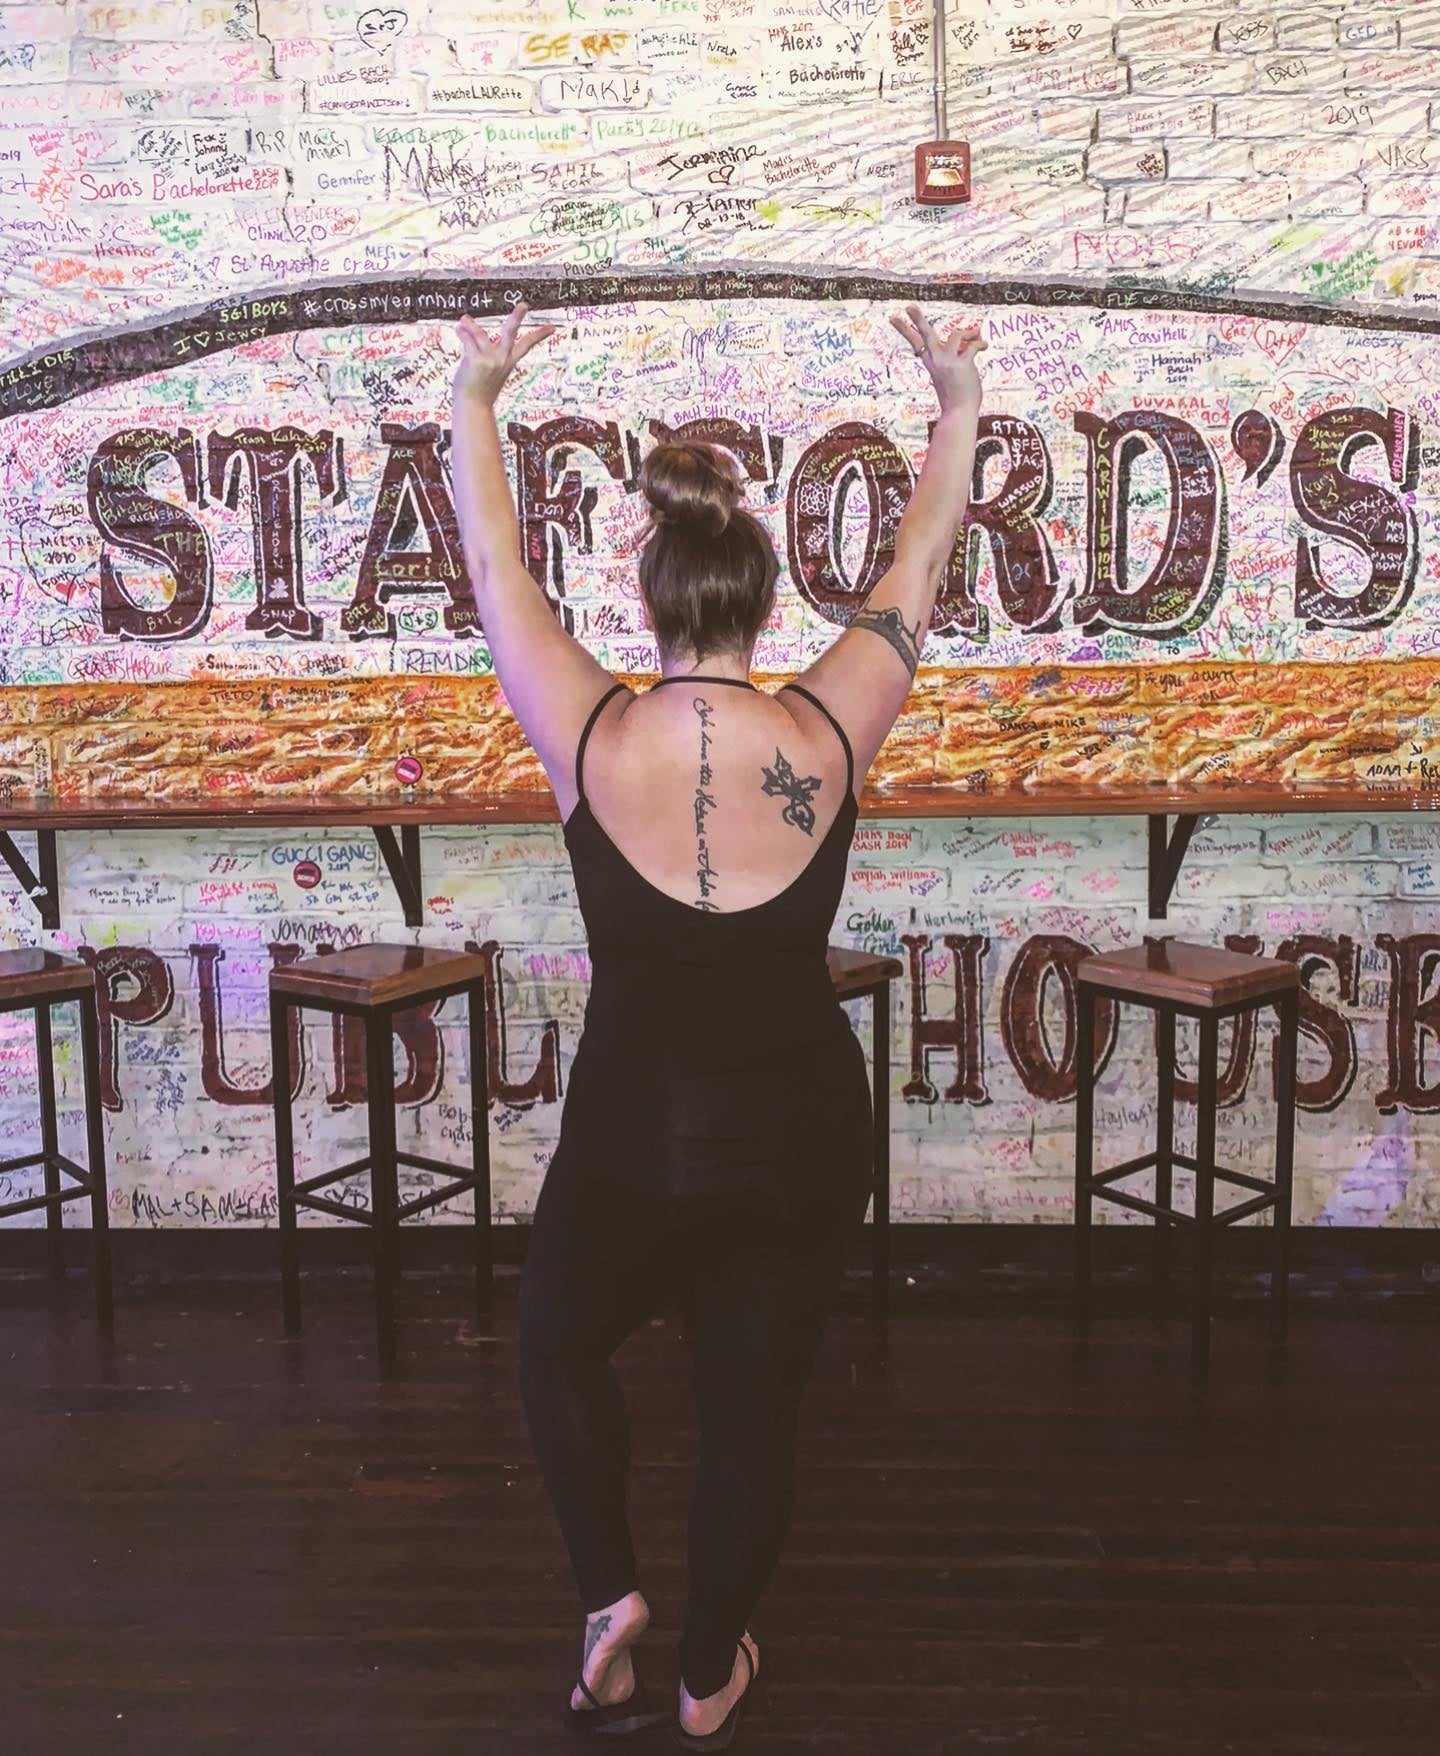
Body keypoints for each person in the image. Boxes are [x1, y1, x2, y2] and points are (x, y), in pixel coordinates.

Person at [451, 299, 985, 1747]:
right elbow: (917, 567)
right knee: (753, 1417)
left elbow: (497, 572)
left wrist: (477, 394)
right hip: (799, 1132)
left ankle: (609, 1596)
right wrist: (956, 401)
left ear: (654, 605)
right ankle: (704, 1675)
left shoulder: (587, 727)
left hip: (632, 1131)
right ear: (758, 606)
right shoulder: (831, 723)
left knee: (558, 1344)